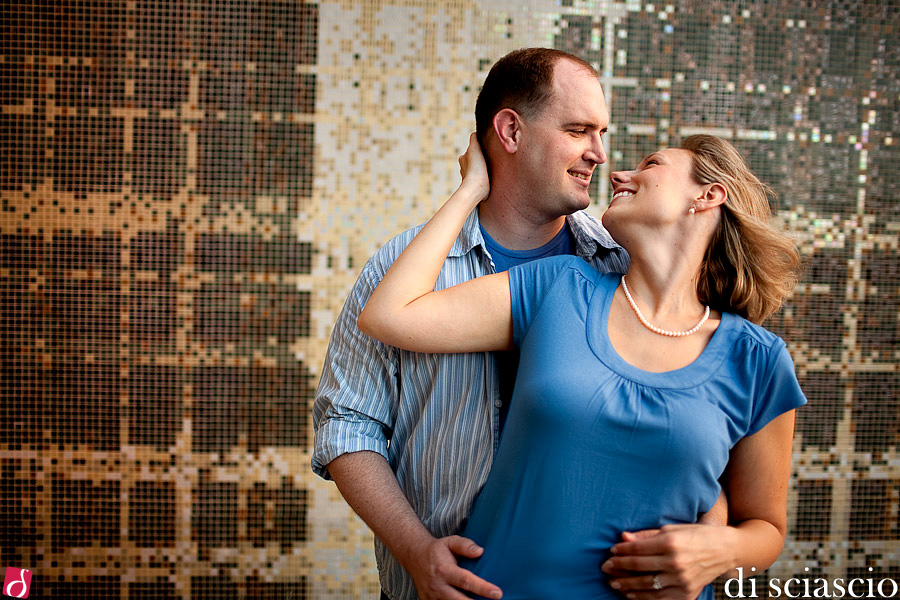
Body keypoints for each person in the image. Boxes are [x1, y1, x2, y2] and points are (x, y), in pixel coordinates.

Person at [313, 47, 723, 600]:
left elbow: (703, 427)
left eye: (602, 132)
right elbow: (348, 424)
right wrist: (415, 552)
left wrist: (712, 540)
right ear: (510, 130)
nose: (600, 154)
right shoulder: (402, 269)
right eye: (579, 130)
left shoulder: (620, 269)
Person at [357, 132, 806, 599]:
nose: (617, 173)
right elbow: (389, 315)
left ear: (708, 195)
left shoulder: (758, 360)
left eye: (651, 164)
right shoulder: (559, 287)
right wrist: (472, 188)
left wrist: (723, 549)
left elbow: (766, 529)